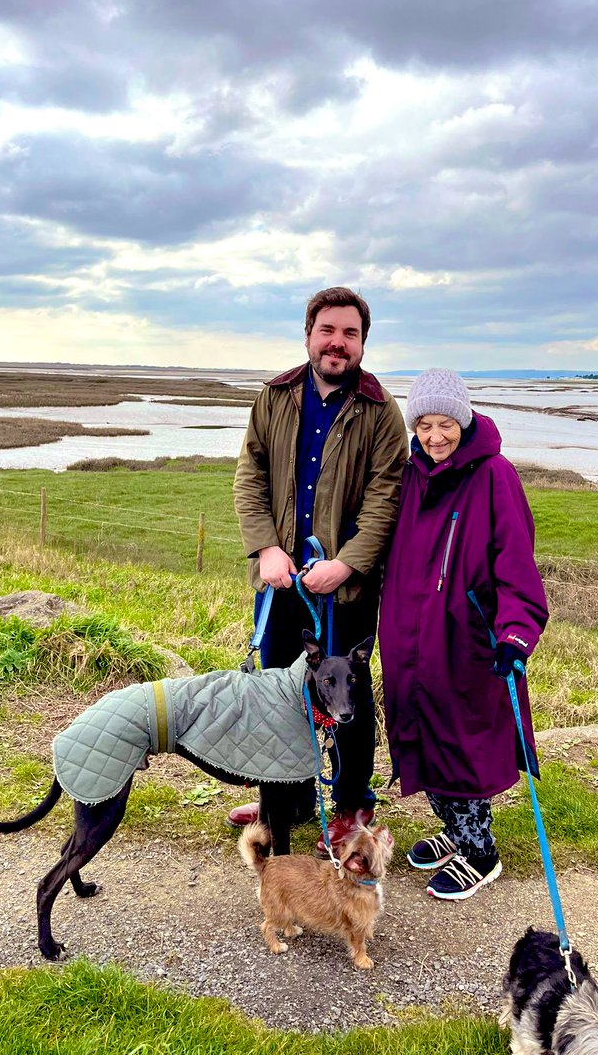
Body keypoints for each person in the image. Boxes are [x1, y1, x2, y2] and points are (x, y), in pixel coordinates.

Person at [231, 286, 409, 852]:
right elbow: (250, 476)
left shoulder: (381, 411)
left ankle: (353, 811)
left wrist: (347, 563)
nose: (338, 343)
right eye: (328, 330)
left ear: (362, 342)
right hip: (282, 583)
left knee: (348, 696)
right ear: (309, 334)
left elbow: (388, 495)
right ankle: (285, 798)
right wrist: (265, 548)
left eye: (350, 334)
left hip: (348, 590)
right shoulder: (275, 396)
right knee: (280, 695)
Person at [378, 368, 549, 900]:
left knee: (462, 741)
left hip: (465, 640)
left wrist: (515, 633)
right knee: (419, 732)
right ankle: (456, 833)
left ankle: (480, 851)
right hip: (408, 634)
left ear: (465, 419)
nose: (435, 437)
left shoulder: (494, 476)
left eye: (445, 424)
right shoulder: (410, 476)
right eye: (424, 425)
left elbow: (517, 565)